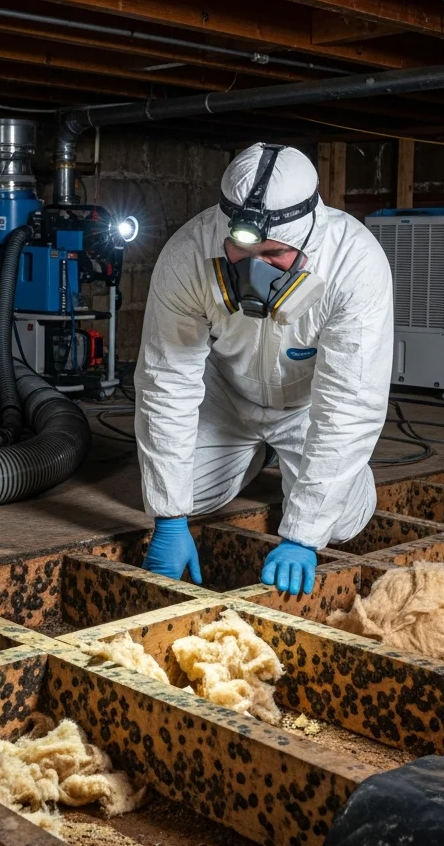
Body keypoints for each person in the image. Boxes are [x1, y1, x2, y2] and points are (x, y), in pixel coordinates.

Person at [134, 142, 393, 596]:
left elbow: (349, 405)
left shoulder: (355, 264)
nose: (256, 272)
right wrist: (170, 519)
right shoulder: (188, 255)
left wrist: (302, 537)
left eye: (275, 256)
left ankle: (317, 465)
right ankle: (255, 453)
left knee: (340, 523)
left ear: (308, 238)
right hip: (227, 398)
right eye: (241, 251)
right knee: (178, 496)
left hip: (306, 408)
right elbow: (166, 382)